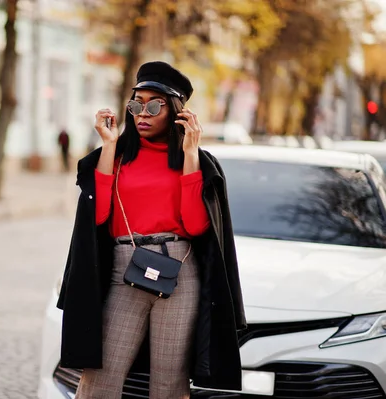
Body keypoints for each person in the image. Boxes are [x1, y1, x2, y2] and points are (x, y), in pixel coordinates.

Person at [56, 61, 246, 399]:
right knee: (99, 380)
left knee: (168, 387)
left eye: (154, 105)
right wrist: (109, 145)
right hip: (123, 268)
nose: (142, 113)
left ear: (174, 111)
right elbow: (98, 216)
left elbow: (196, 225)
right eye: (136, 104)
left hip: (180, 274)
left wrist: (190, 155)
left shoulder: (199, 163)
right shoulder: (115, 156)